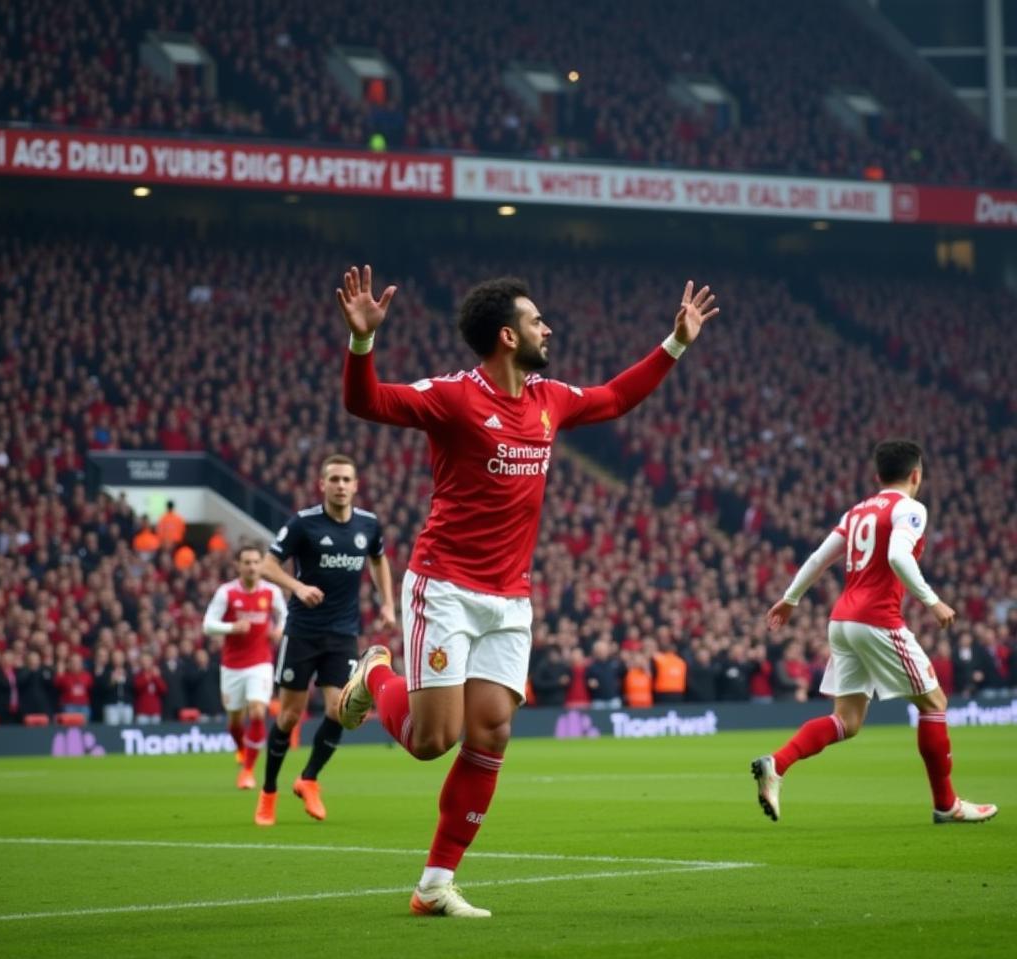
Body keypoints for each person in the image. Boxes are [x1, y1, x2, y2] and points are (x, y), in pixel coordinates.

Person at [335, 264, 718, 916]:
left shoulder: (549, 398)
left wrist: (675, 342)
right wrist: (362, 342)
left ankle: (434, 887)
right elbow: (366, 403)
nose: (548, 326)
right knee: (432, 742)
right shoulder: (454, 398)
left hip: (510, 598)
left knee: (492, 733)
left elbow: (615, 398)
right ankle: (375, 673)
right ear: (507, 336)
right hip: (445, 588)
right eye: (537, 319)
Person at [752, 439, 997, 825]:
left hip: (842, 623)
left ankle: (776, 764)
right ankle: (946, 804)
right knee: (934, 704)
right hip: (876, 620)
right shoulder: (910, 508)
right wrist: (932, 601)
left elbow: (818, 558)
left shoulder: (856, 512)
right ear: (916, 474)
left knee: (847, 721)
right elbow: (898, 556)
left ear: (877, 475)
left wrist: (790, 598)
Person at [256, 453, 395, 825]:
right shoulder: (303, 524)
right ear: (322, 484)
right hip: (302, 632)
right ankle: (268, 792)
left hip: (342, 633)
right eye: (333, 479)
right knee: (289, 715)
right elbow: (267, 565)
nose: (340, 485)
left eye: (346, 479)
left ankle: (309, 779)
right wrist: (297, 586)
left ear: (356, 484)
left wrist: (387, 604)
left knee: (341, 711)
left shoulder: (368, 525)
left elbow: (379, 560)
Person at [203, 543, 287, 789]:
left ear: (262, 565)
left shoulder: (272, 592)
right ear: (238, 566)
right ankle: (241, 748)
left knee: (258, 712)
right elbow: (207, 624)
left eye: (255, 562)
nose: (251, 567)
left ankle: (248, 771)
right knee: (235, 721)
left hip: (260, 663)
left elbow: (285, 615)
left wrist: (280, 630)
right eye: (246, 562)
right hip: (232, 666)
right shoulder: (226, 593)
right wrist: (231, 627)